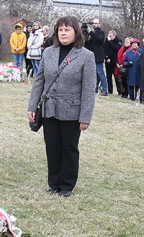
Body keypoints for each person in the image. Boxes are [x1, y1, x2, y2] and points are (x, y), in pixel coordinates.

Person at [27, 16, 96, 198]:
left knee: (69, 148)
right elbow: (39, 81)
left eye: (68, 29)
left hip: (72, 110)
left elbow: (89, 89)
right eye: (60, 29)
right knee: (52, 147)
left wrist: (85, 116)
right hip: (49, 108)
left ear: (76, 32)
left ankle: (66, 185)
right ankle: (53, 182)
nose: (63, 33)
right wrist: (32, 106)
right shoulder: (49, 52)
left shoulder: (86, 56)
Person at [85, 19, 107, 96]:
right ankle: (96, 87)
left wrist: (90, 32)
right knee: (95, 73)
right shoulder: (92, 33)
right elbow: (88, 44)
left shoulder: (101, 32)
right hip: (92, 55)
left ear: (99, 24)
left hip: (99, 55)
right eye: (93, 23)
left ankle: (105, 90)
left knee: (100, 73)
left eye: (96, 23)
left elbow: (99, 39)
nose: (94, 25)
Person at [104, 30, 123, 96]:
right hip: (108, 61)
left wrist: (110, 41)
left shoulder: (118, 41)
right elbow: (105, 49)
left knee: (116, 77)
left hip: (115, 61)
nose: (109, 37)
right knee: (108, 77)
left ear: (114, 36)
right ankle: (110, 90)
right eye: (109, 36)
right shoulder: (107, 40)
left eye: (110, 36)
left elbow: (116, 48)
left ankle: (120, 91)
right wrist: (106, 57)